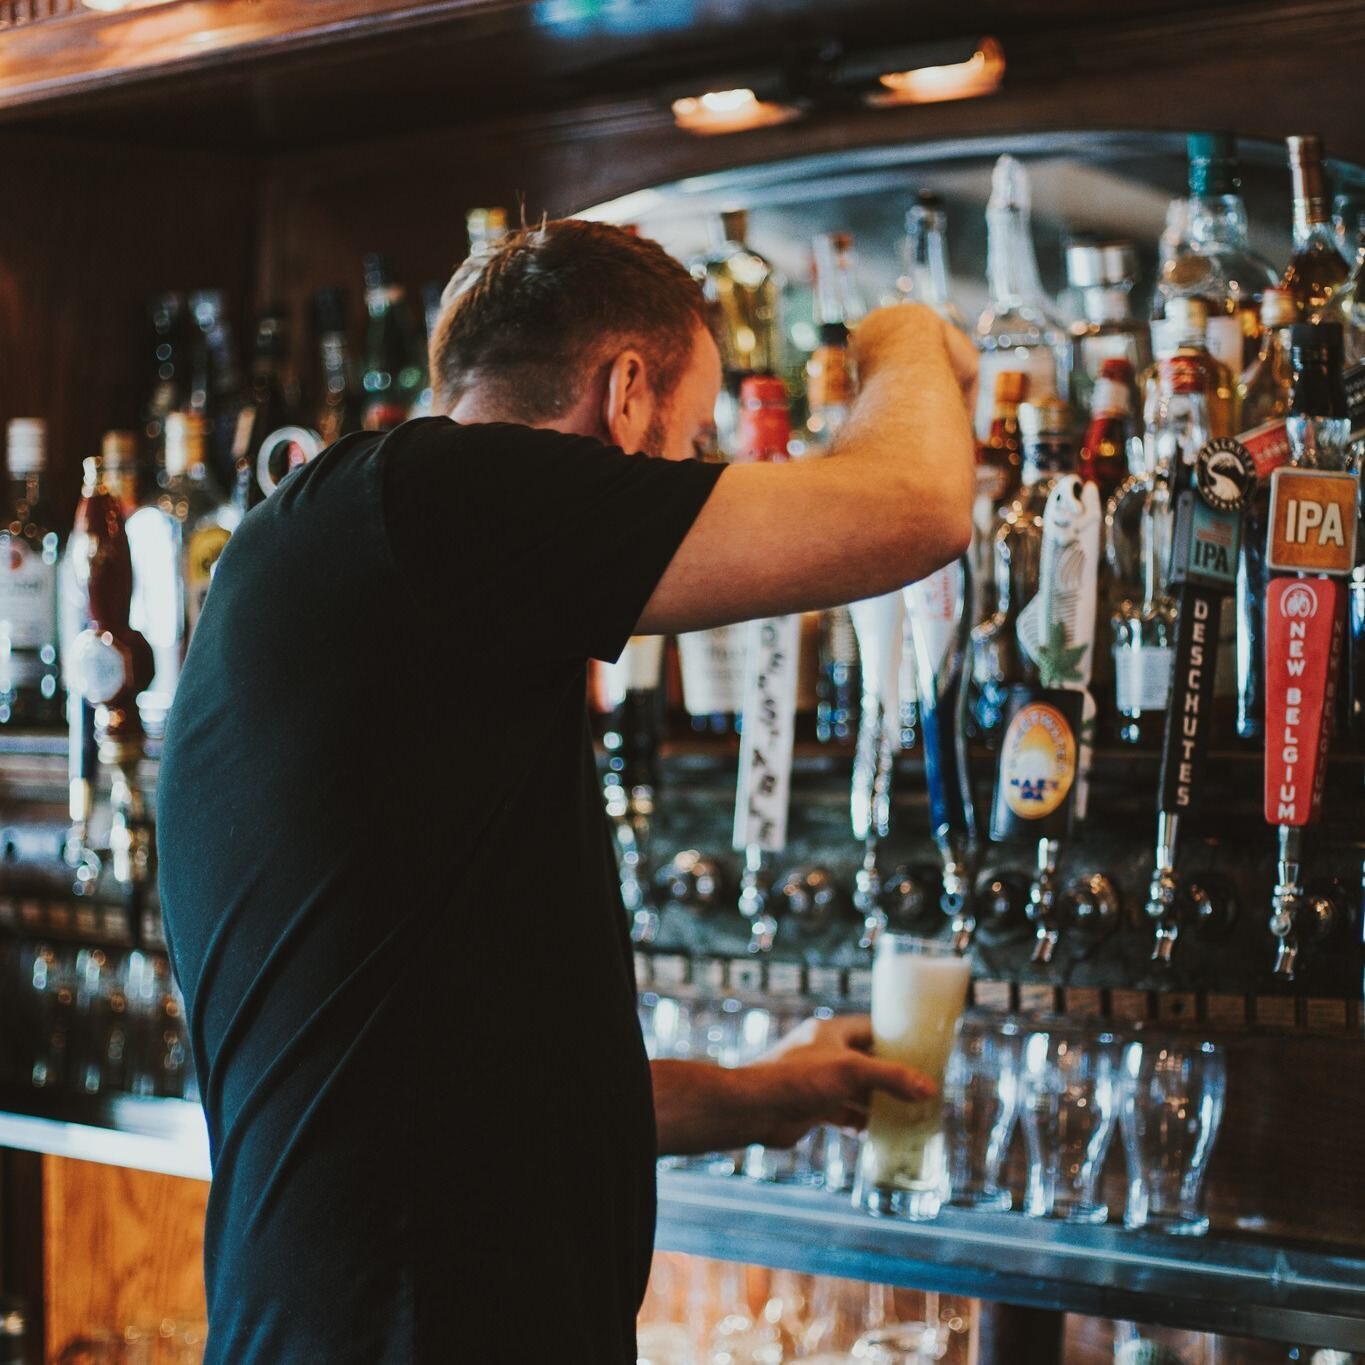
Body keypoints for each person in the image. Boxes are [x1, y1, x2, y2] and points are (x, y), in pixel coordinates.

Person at [156, 218, 977, 1363]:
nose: (694, 487)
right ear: (626, 396)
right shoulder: (442, 495)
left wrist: (762, 1095)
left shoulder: (401, 578)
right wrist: (905, 338)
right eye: (692, 446)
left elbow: (478, 1096)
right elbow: (919, 507)